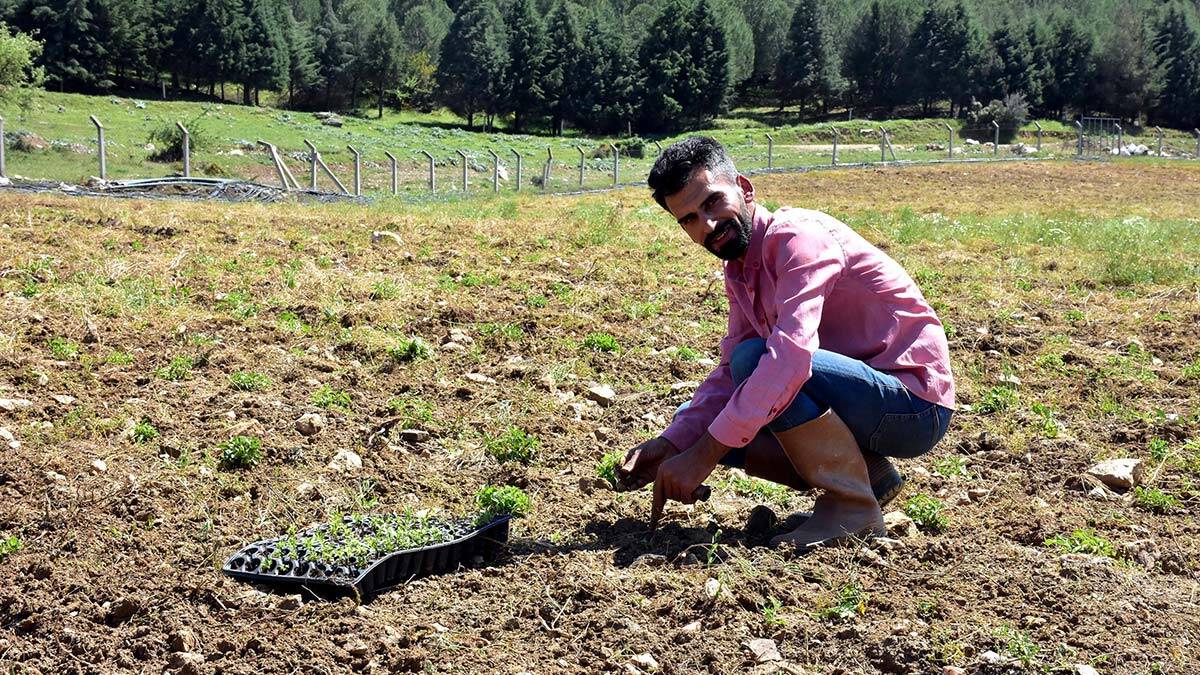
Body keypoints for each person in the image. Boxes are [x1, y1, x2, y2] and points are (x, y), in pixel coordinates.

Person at [617, 137, 955, 551]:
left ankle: (853, 508)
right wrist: (674, 444)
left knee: (755, 367)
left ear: (744, 188)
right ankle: (870, 477)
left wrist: (702, 456)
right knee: (714, 411)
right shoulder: (740, 269)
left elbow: (789, 360)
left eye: (712, 203)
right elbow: (729, 374)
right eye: (688, 219)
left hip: (912, 405)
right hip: (859, 399)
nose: (706, 225)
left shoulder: (798, 239)